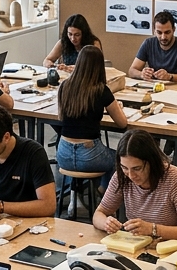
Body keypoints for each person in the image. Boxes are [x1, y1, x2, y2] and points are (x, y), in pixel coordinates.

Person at [94, 129, 177, 243]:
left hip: (168, 247)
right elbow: (98, 214)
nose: (131, 175)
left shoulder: (175, 178)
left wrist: (152, 229)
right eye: (124, 167)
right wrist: (106, 223)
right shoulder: (121, 176)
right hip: (137, 244)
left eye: (137, 168)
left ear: (152, 162)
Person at [56, 46, 130, 191]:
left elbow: (60, 116)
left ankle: (77, 193)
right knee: (121, 161)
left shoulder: (64, 86)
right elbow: (122, 123)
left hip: (63, 153)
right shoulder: (101, 90)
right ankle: (104, 193)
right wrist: (117, 108)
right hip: (89, 154)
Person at [128, 12, 177, 83]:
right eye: (159, 32)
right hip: (154, 87)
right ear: (154, 31)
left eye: (167, 32)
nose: (163, 37)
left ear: (174, 30)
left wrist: (170, 77)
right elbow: (131, 71)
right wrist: (141, 74)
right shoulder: (148, 43)